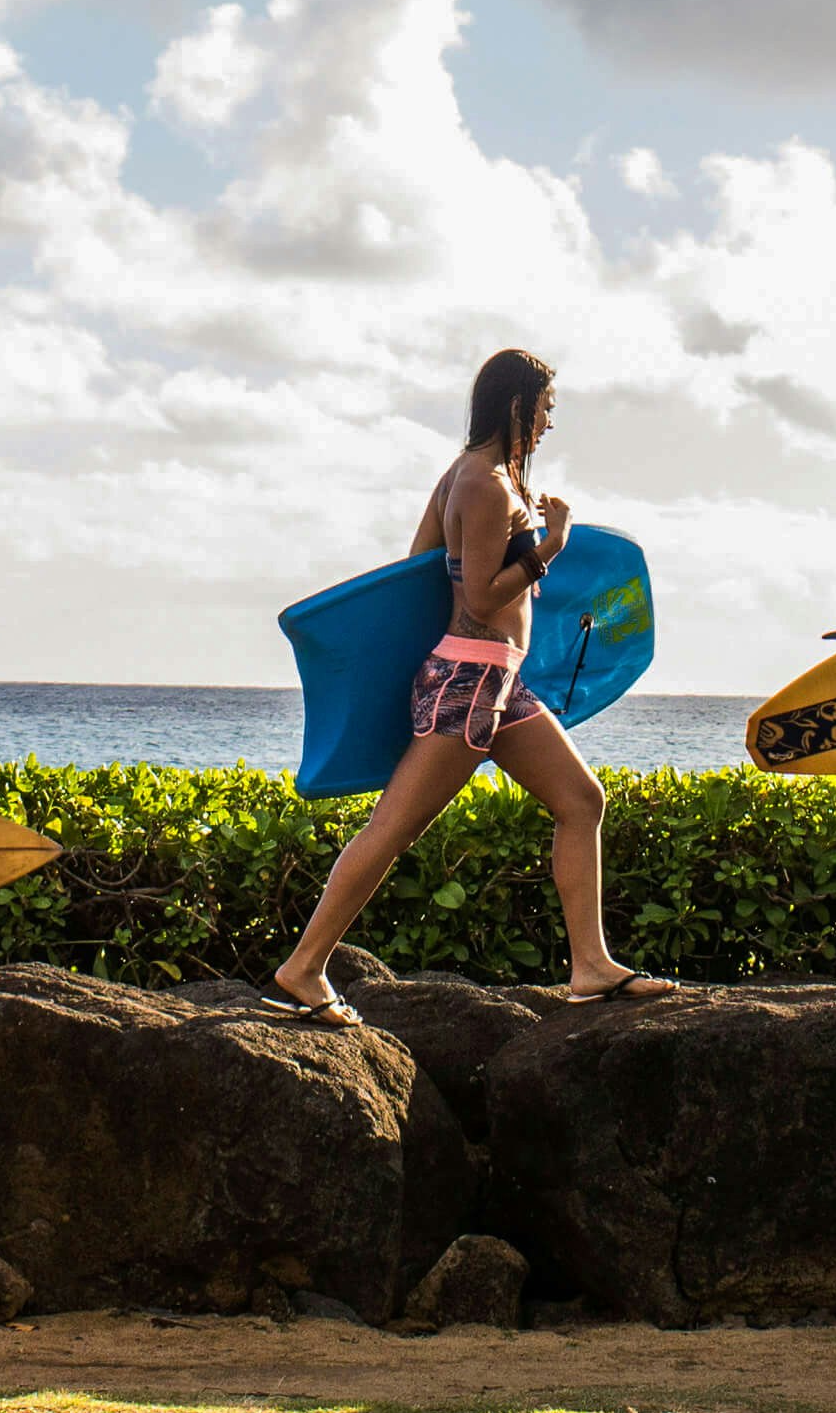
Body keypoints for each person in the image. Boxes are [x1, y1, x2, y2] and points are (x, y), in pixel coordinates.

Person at [259, 349, 678, 1019]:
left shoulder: (470, 479)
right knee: (392, 830)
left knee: (581, 800)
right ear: (515, 405)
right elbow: (480, 601)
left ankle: (592, 966)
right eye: (543, 410)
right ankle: (304, 968)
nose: (546, 425)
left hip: (500, 684)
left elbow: (416, 570)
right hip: (469, 683)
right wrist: (550, 548)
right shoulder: (483, 485)